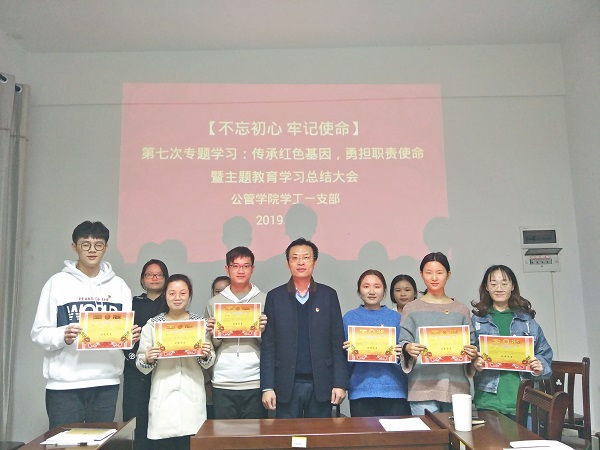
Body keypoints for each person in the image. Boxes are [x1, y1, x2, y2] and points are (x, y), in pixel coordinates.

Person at [31, 220, 140, 429]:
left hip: (106, 383)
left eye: (98, 245)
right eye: (85, 244)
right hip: (65, 385)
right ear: (75, 247)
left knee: (101, 441)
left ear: (106, 247)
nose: (92, 250)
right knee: (63, 442)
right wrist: (63, 335)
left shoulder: (119, 286)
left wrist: (130, 339)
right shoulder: (57, 283)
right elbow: (38, 333)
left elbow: (123, 336)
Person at [260, 238, 348, 418]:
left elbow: (337, 342)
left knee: (319, 434)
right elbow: (268, 345)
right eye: (295, 258)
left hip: (321, 384)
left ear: (314, 262)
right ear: (288, 264)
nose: (300, 262)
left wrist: (340, 383)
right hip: (285, 384)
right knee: (287, 435)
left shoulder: (328, 295)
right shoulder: (275, 297)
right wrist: (267, 387)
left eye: (306, 257)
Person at [136, 274, 214, 450]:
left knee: (192, 444)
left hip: (192, 398)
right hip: (163, 399)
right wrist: (148, 358)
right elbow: (140, 364)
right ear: (165, 294)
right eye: (172, 293)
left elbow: (209, 362)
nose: (177, 298)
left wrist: (205, 355)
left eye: (182, 293)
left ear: (189, 295)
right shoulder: (153, 325)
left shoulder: (199, 324)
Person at [398, 252, 478, 415]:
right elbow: (403, 343)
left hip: (457, 389)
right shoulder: (411, 309)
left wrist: (472, 353)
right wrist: (407, 348)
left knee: (460, 432)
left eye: (439, 272)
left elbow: (472, 345)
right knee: (426, 433)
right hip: (422, 389)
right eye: (429, 272)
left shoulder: (461, 309)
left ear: (448, 274)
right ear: (421, 274)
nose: (434, 278)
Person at [471, 264, 553, 420]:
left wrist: (538, 367)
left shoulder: (527, 321)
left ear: (513, 286)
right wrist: (475, 363)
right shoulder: (477, 321)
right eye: (493, 284)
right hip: (488, 400)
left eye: (504, 283)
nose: (499, 288)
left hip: (524, 399)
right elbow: (467, 356)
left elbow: (545, 354)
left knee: (523, 437)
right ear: (486, 287)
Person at [205, 247, 268, 419]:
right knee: (224, 433)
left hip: (255, 379)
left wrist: (261, 331)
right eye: (235, 266)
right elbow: (211, 346)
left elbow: (271, 345)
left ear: (252, 269)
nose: (241, 271)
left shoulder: (265, 300)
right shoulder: (214, 303)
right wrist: (215, 333)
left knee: (255, 434)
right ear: (227, 268)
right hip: (223, 379)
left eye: (246, 266)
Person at [342, 270, 410, 417]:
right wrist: (347, 352)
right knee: (363, 433)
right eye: (366, 286)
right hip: (360, 390)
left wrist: (401, 354)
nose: (371, 291)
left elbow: (408, 360)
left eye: (377, 286)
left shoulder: (397, 318)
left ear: (384, 290)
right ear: (359, 290)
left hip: (394, 390)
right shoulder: (349, 318)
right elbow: (341, 361)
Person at [123, 259, 169, 450]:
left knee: (164, 422)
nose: (154, 278)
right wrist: (134, 359)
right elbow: (122, 336)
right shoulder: (131, 304)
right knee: (136, 422)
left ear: (165, 278)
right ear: (142, 279)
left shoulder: (172, 303)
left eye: (159, 275)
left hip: (165, 371)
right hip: (135, 371)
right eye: (149, 274)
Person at [204, 275, 231, 420]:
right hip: (217, 381)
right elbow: (206, 350)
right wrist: (207, 382)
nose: (221, 295)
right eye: (217, 291)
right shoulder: (207, 318)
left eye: (225, 291)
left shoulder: (246, 314)